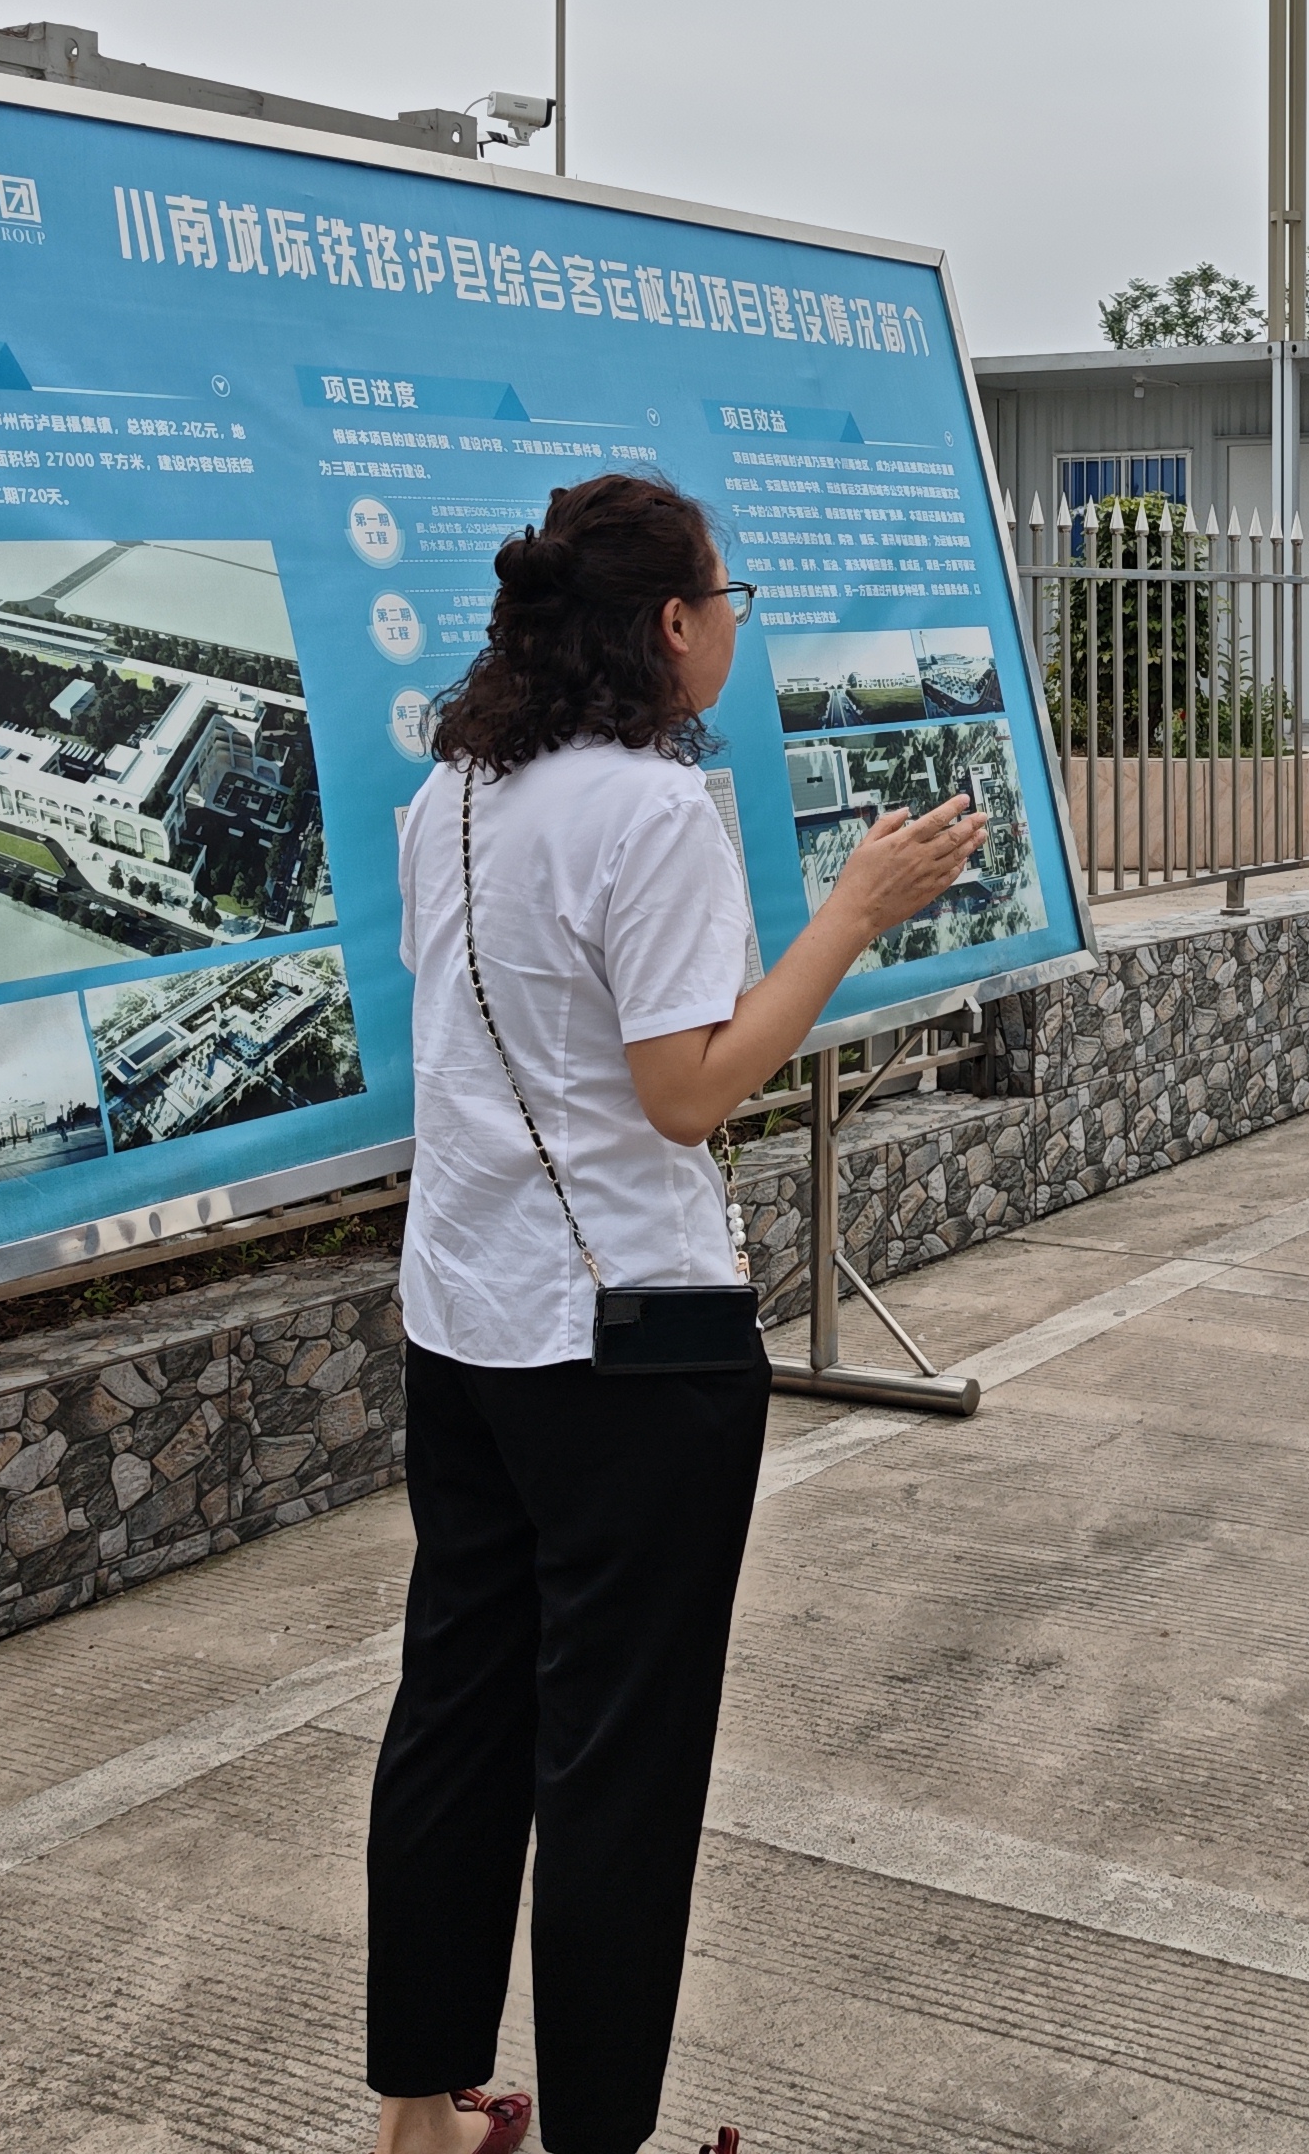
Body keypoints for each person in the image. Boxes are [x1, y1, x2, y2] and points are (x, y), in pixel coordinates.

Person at [364, 470, 985, 2154]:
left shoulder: (456, 790)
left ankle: (418, 2116)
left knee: (457, 1716)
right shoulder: (650, 811)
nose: (730, 627)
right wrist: (852, 917)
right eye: (726, 601)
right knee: (618, 1766)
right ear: (666, 624)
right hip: (629, 1345)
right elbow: (688, 1091)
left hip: (467, 1322)